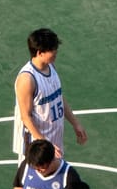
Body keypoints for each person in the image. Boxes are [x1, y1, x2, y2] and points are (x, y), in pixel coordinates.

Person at [12, 28, 88, 161]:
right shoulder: (27, 79)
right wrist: (45, 144)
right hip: (36, 148)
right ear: (40, 53)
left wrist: (75, 123)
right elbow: (26, 118)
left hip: (54, 142)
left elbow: (58, 97)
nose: (56, 52)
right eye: (52, 49)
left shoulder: (51, 67)